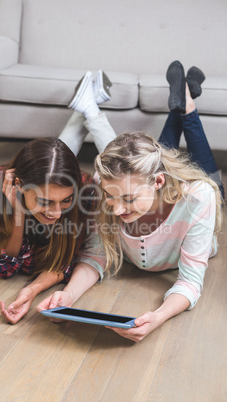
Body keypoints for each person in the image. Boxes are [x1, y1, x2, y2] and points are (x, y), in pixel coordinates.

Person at [37, 61, 224, 342]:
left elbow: (189, 281)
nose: (118, 209)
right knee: (155, 154)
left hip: (201, 195)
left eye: (128, 199)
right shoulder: (107, 190)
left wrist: (157, 317)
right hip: (157, 173)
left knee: (210, 182)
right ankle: (184, 99)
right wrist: (68, 294)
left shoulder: (198, 199)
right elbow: (96, 256)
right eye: (111, 198)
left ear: (159, 183)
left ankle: (185, 103)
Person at [0, 70, 114, 324]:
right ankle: (87, 106)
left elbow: (66, 263)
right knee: (52, 159)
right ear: (18, 185)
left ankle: (88, 106)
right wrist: (17, 213)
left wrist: (31, 290)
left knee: (117, 166)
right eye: (45, 201)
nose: (57, 213)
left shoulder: (85, 194)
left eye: (65, 200)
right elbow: (2, 268)